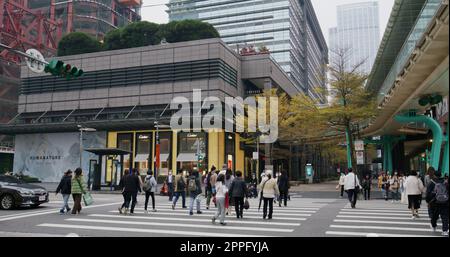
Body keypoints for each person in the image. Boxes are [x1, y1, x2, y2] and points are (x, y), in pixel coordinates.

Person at [426, 171, 449, 236]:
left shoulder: (431, 182)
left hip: (434, 203)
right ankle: (445, 231)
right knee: (445, 217)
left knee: (434, 216)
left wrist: (428, 202)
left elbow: (428, 193)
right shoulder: (445, 182)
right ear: (441, 175)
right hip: (445, 202)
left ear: (434, 175)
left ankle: (434, 226)